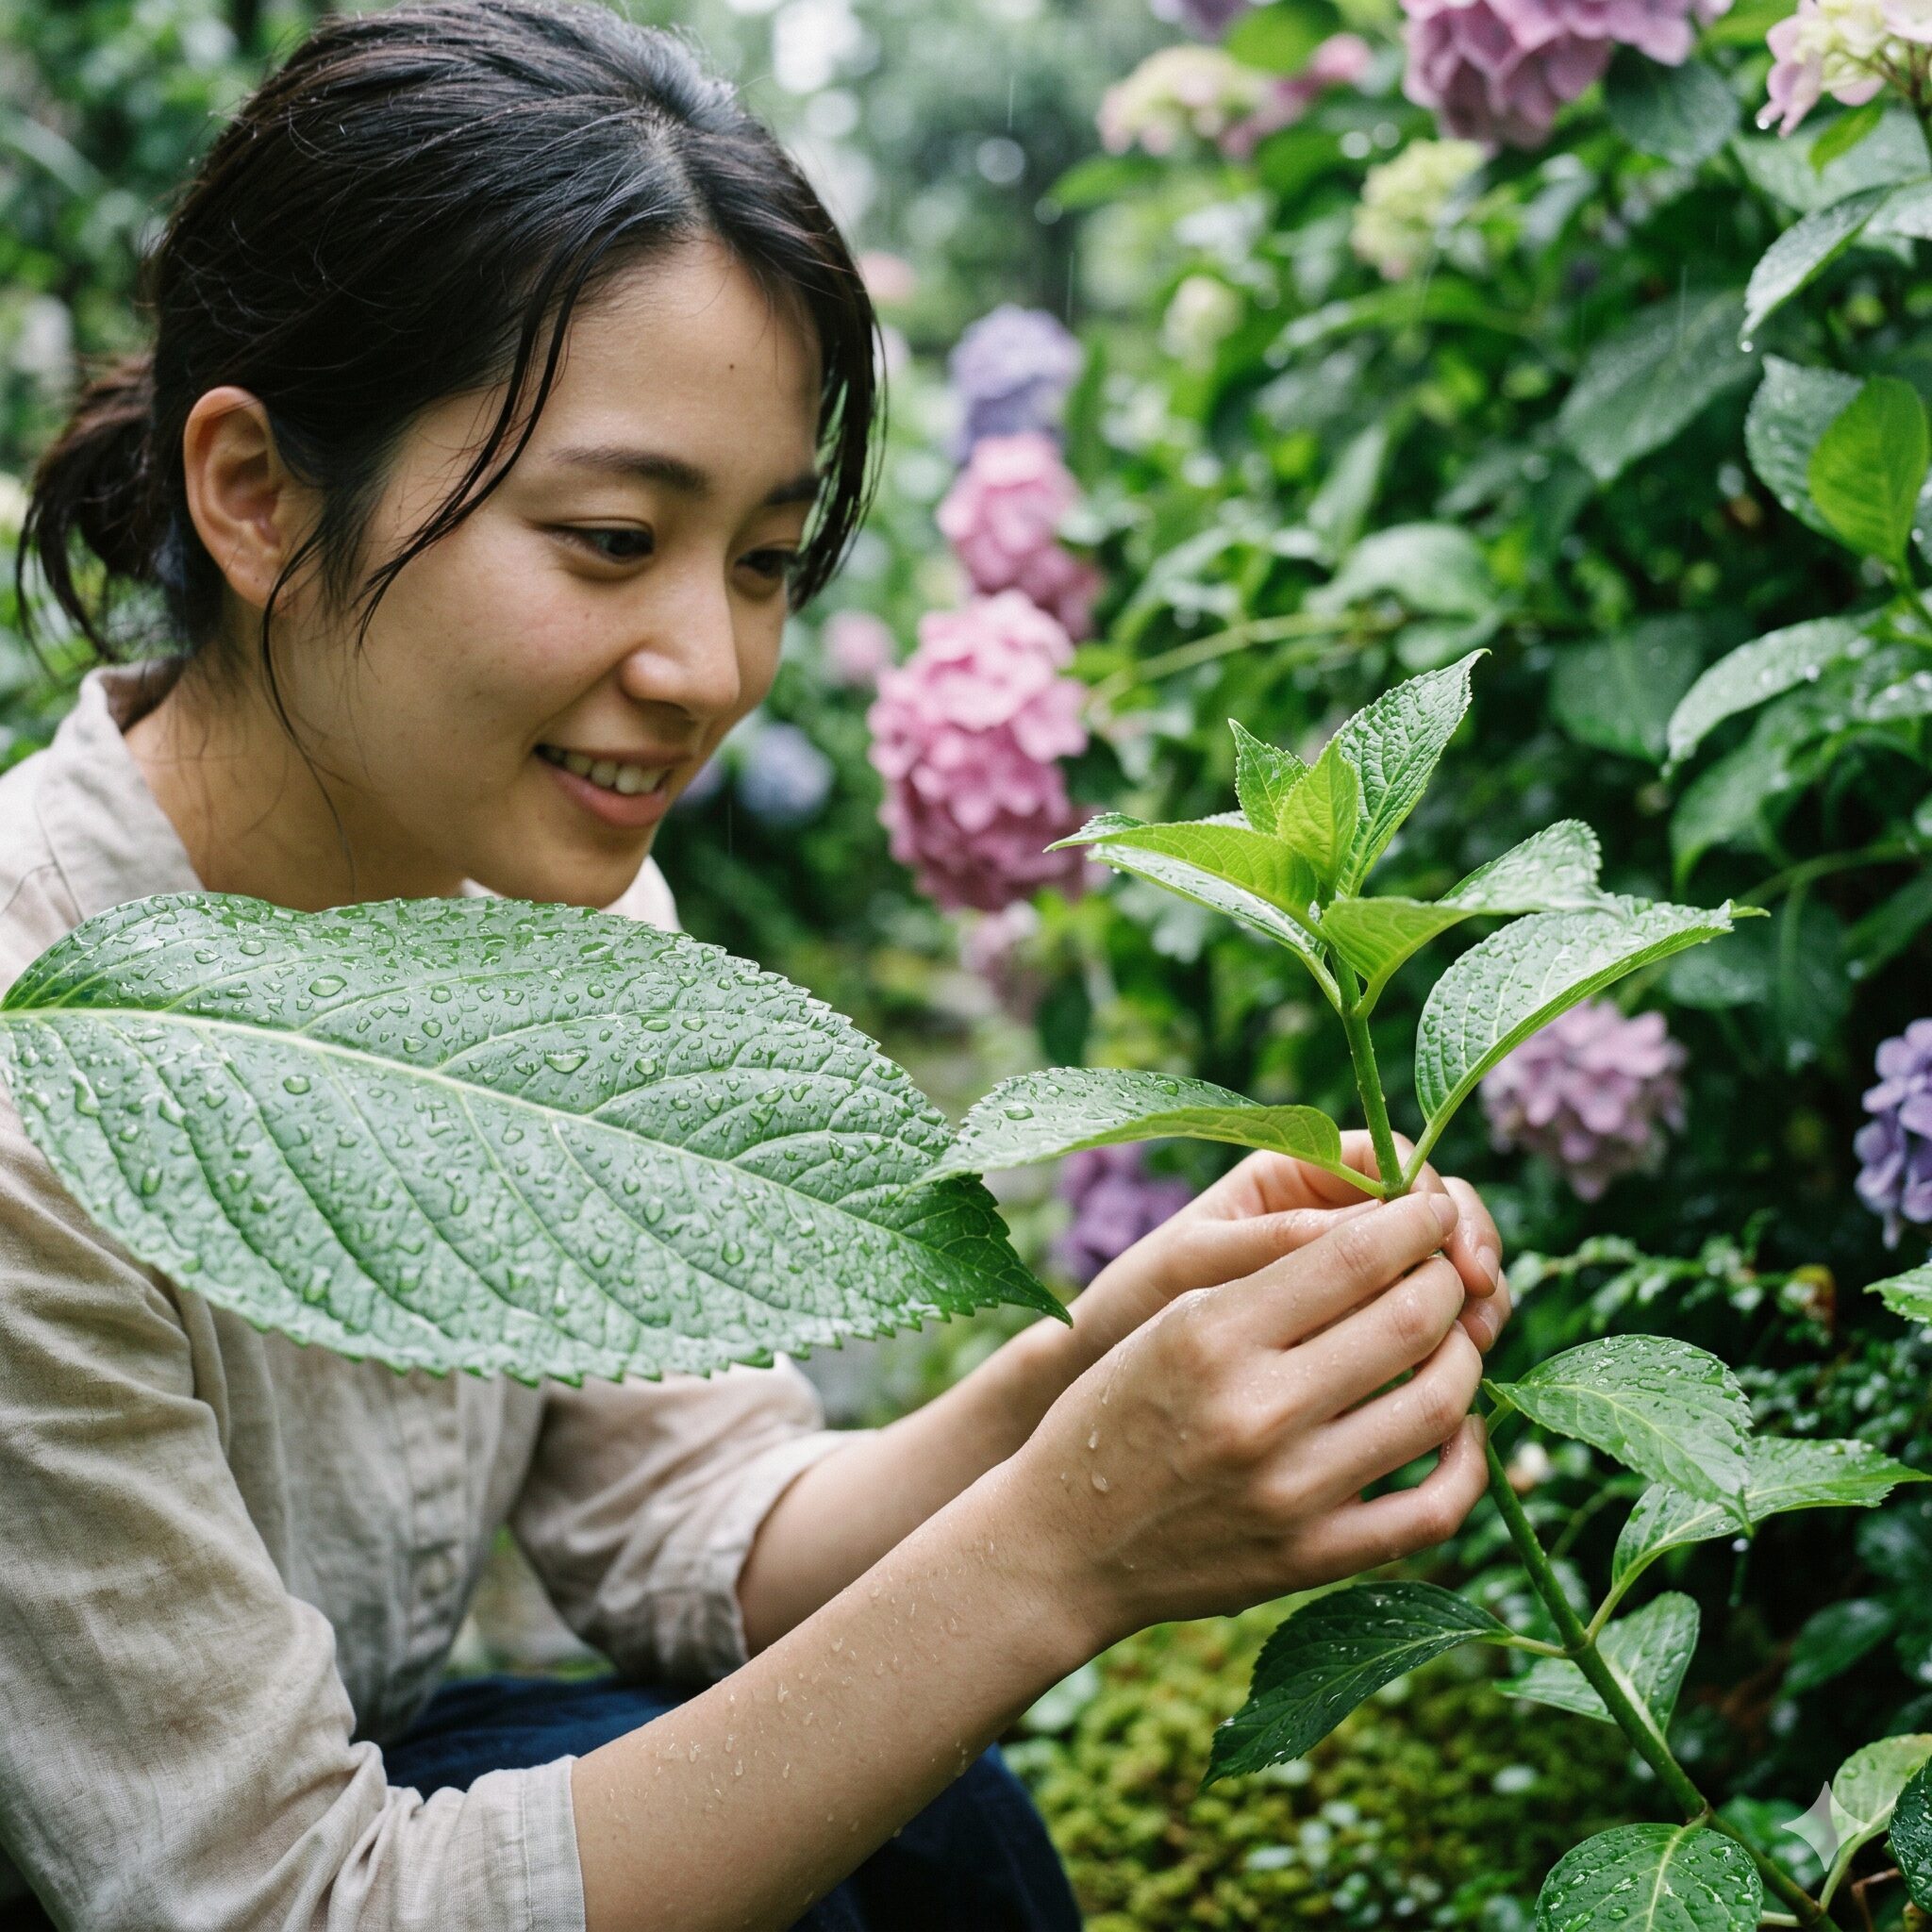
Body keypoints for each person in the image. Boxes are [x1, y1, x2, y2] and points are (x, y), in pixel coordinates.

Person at [0, 5, 1510, 1928]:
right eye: (613, 537)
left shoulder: (536, 913)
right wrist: (1066, 1550)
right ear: (254, 492)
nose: (710, 671)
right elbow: (290, 1904)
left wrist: (1087, 1380)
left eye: (764, 558)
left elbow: (684, 1526)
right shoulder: (34, 1083)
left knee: (930, 1830)